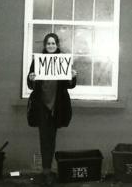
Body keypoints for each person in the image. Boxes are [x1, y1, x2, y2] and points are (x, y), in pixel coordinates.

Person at [27, 33, 77, 186]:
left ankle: (48, 171)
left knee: (52, 138)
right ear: (45, 45)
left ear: (57, 45)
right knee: (44, 138)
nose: (50, 46)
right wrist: (31, 78)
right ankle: (46, 171)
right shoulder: (37, 60)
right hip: (42, 106)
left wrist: (73, 76)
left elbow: (70, 85)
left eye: (53, 43)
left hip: (57, 106)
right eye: (48, 43)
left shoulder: (63, 60)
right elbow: (31, 85)